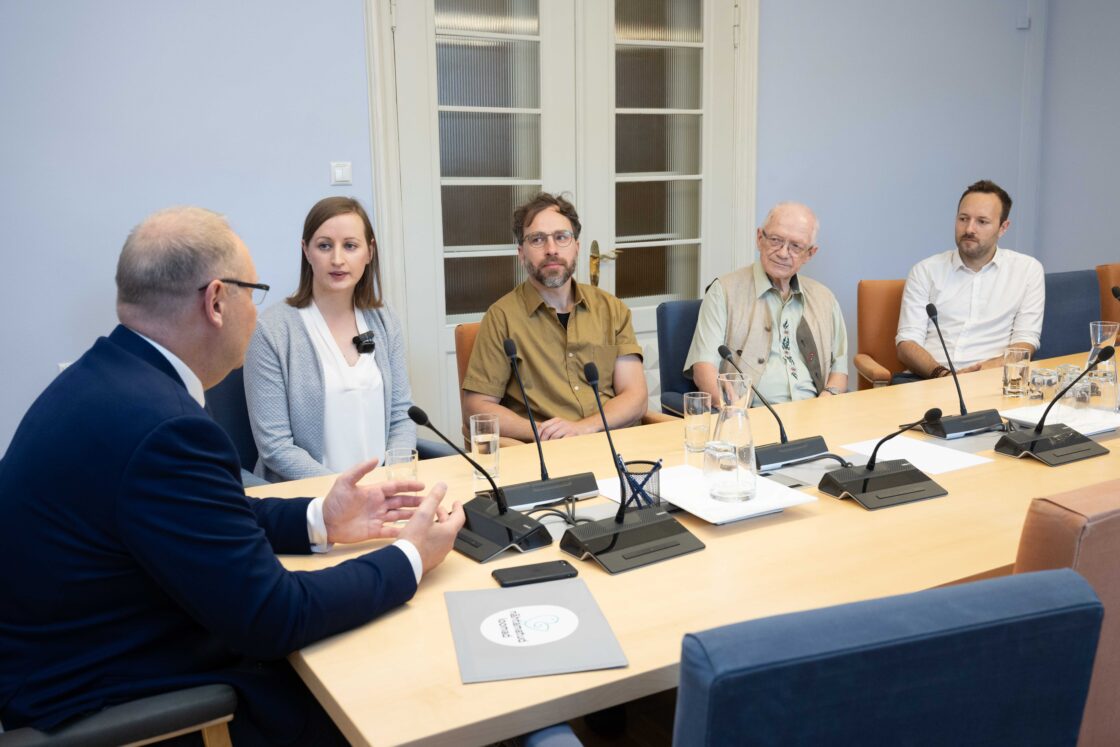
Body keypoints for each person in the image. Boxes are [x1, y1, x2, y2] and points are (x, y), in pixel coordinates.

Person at [0, 207, 465, 745]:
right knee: (379, 696)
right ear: (217, 301)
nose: (256, 312)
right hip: (110, 693)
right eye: (253, 292)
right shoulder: (166, 428)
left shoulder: (109, 378)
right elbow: (274, 617)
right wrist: (410, 557)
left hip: (80, 650)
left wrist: (321, 517)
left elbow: (209, 513)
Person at [245, 196, 416, 482]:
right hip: (309, 497)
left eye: (350, 246)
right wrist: (344, 492)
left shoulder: (384, 319)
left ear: (369, 251)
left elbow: (401, 415)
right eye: (324, 246)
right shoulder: (272, 330)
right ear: (306, 251)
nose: (337, 259)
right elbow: (275, 447)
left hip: (382, 490)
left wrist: (392, 477)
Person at [462, 192, 647, 442]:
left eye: (561, 237)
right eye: (537, 239)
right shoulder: (501, 318)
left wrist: (584, 428)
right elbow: (477, 408)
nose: (551, 250)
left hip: (615, 445)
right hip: (546, 453)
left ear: (576, 248)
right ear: (522, 254)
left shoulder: (612, 309)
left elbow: (635, 396)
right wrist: (547, 434)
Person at [684, 202, 848, 404]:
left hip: (814, 411)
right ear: (759, 238)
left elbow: (839, 370)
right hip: (751, 413)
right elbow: (703, 368)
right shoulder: (723, 291)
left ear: (810, 253)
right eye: (776, 240)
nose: (783, 253)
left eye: (795, 246)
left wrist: (826, 402)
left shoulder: (825, 299)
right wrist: (731, 411)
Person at [895, 180, 1044, 379]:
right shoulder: (925, 271)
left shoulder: (1027, 270)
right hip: (929, 379)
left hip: (992, 380)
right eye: (963, 219)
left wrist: (979, 375)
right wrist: (944, 376)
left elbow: (1025, 342)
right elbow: (907, 343)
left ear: (1003, 228)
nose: (969, 229)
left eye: (982, 221)